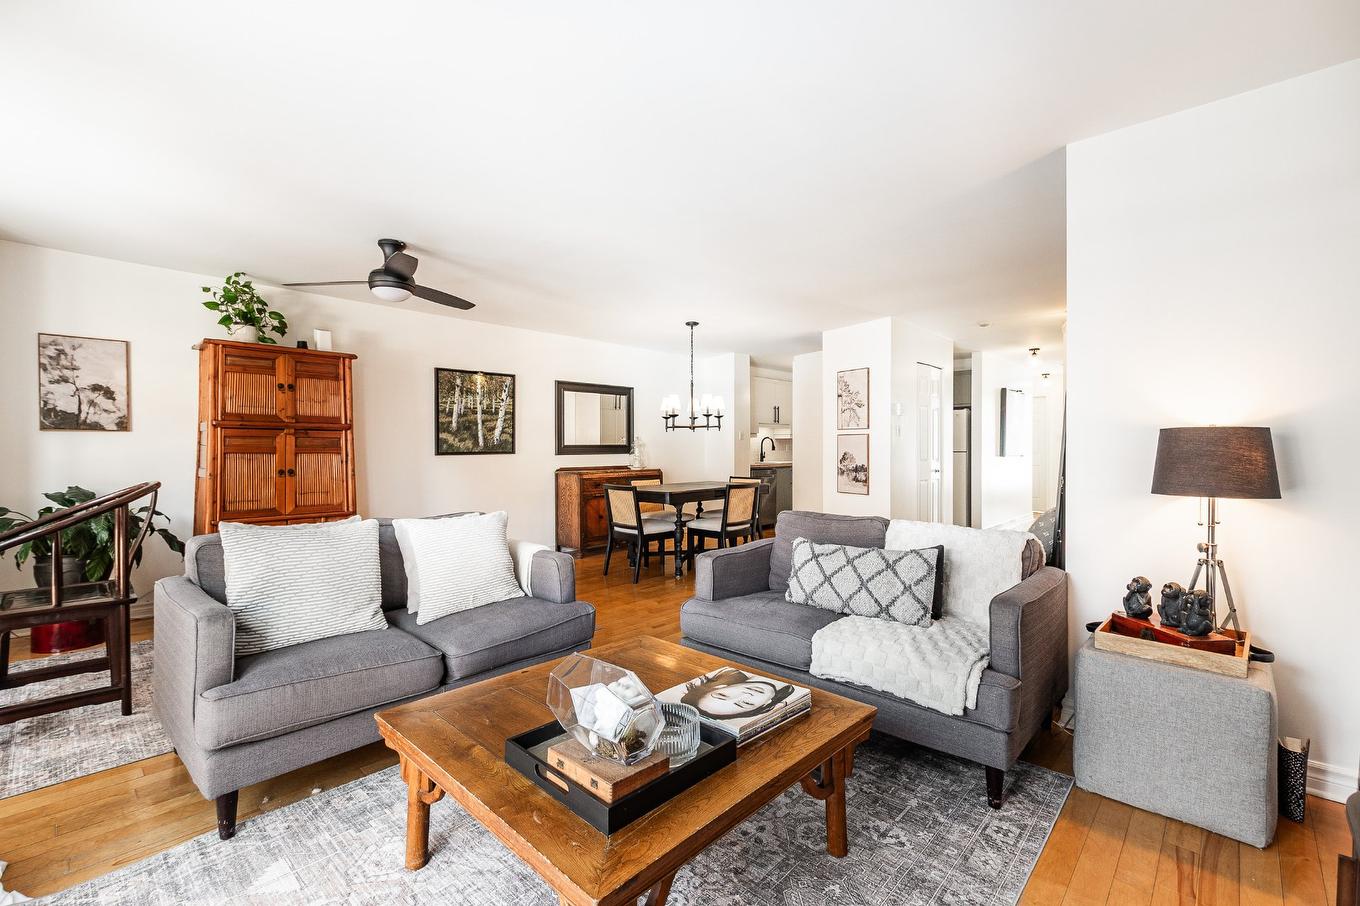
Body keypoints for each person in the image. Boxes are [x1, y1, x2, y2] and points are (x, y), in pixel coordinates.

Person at [680, 667, 795, 721]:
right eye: (746, 703)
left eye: (722, 695)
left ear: (721, 686)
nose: (746, 694)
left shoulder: (731, 672)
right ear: (763, 706)